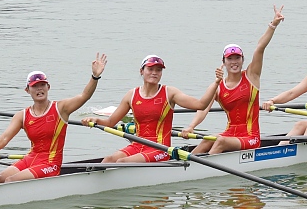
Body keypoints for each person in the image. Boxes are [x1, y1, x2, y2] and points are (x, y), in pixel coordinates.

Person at [0, 54, 108, 183]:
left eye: (42, 85)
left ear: (48, 87)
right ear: (27, 90)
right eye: (35, 86)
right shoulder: (22, 115)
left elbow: (84, 95)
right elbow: (4, 138)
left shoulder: (61, 108)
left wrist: (95, 76)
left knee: (11, 180)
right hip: (31, 158)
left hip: (51, 163)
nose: (39, 88)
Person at [180, 6, 285, 154]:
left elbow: (260, 48)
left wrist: (273, 25)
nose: (234, 62)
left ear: (242, 60)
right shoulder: (218, 86)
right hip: (230, 134)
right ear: (224, 61)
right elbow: (203, 109)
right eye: (230, 59)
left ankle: (202, 169)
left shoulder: (251, 76)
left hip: (250, 137)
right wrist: (191, 127)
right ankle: (187, 167)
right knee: (208, 139)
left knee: (220, 141)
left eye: (237, 58)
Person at [87, 55, 221, 163]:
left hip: (160, 149)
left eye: (158, 70)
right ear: (141, 71)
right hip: (138, 145)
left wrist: (216, 82)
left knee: (123, 162)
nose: (154, 73)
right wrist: (96, 120)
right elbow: (110, 123)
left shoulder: (170, 93)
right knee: (108, 160)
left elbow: (201, 105)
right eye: (150, 69)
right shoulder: (131, 95)